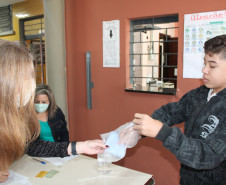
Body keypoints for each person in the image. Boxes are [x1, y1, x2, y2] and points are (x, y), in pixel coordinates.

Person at [0, 39, 107, 183]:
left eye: (32, 78)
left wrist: (80, 146)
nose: (31, 86)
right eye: (25, 79)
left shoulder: (14, 114)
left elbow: (32, 146)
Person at [133, 34, 226, 185]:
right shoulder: (199, 94)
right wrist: (138, 130)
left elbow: (208, 155)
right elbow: (170, 112)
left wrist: (163, 133)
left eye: (212, 65)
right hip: (188, 179)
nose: (204, 70)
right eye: (204, 63)